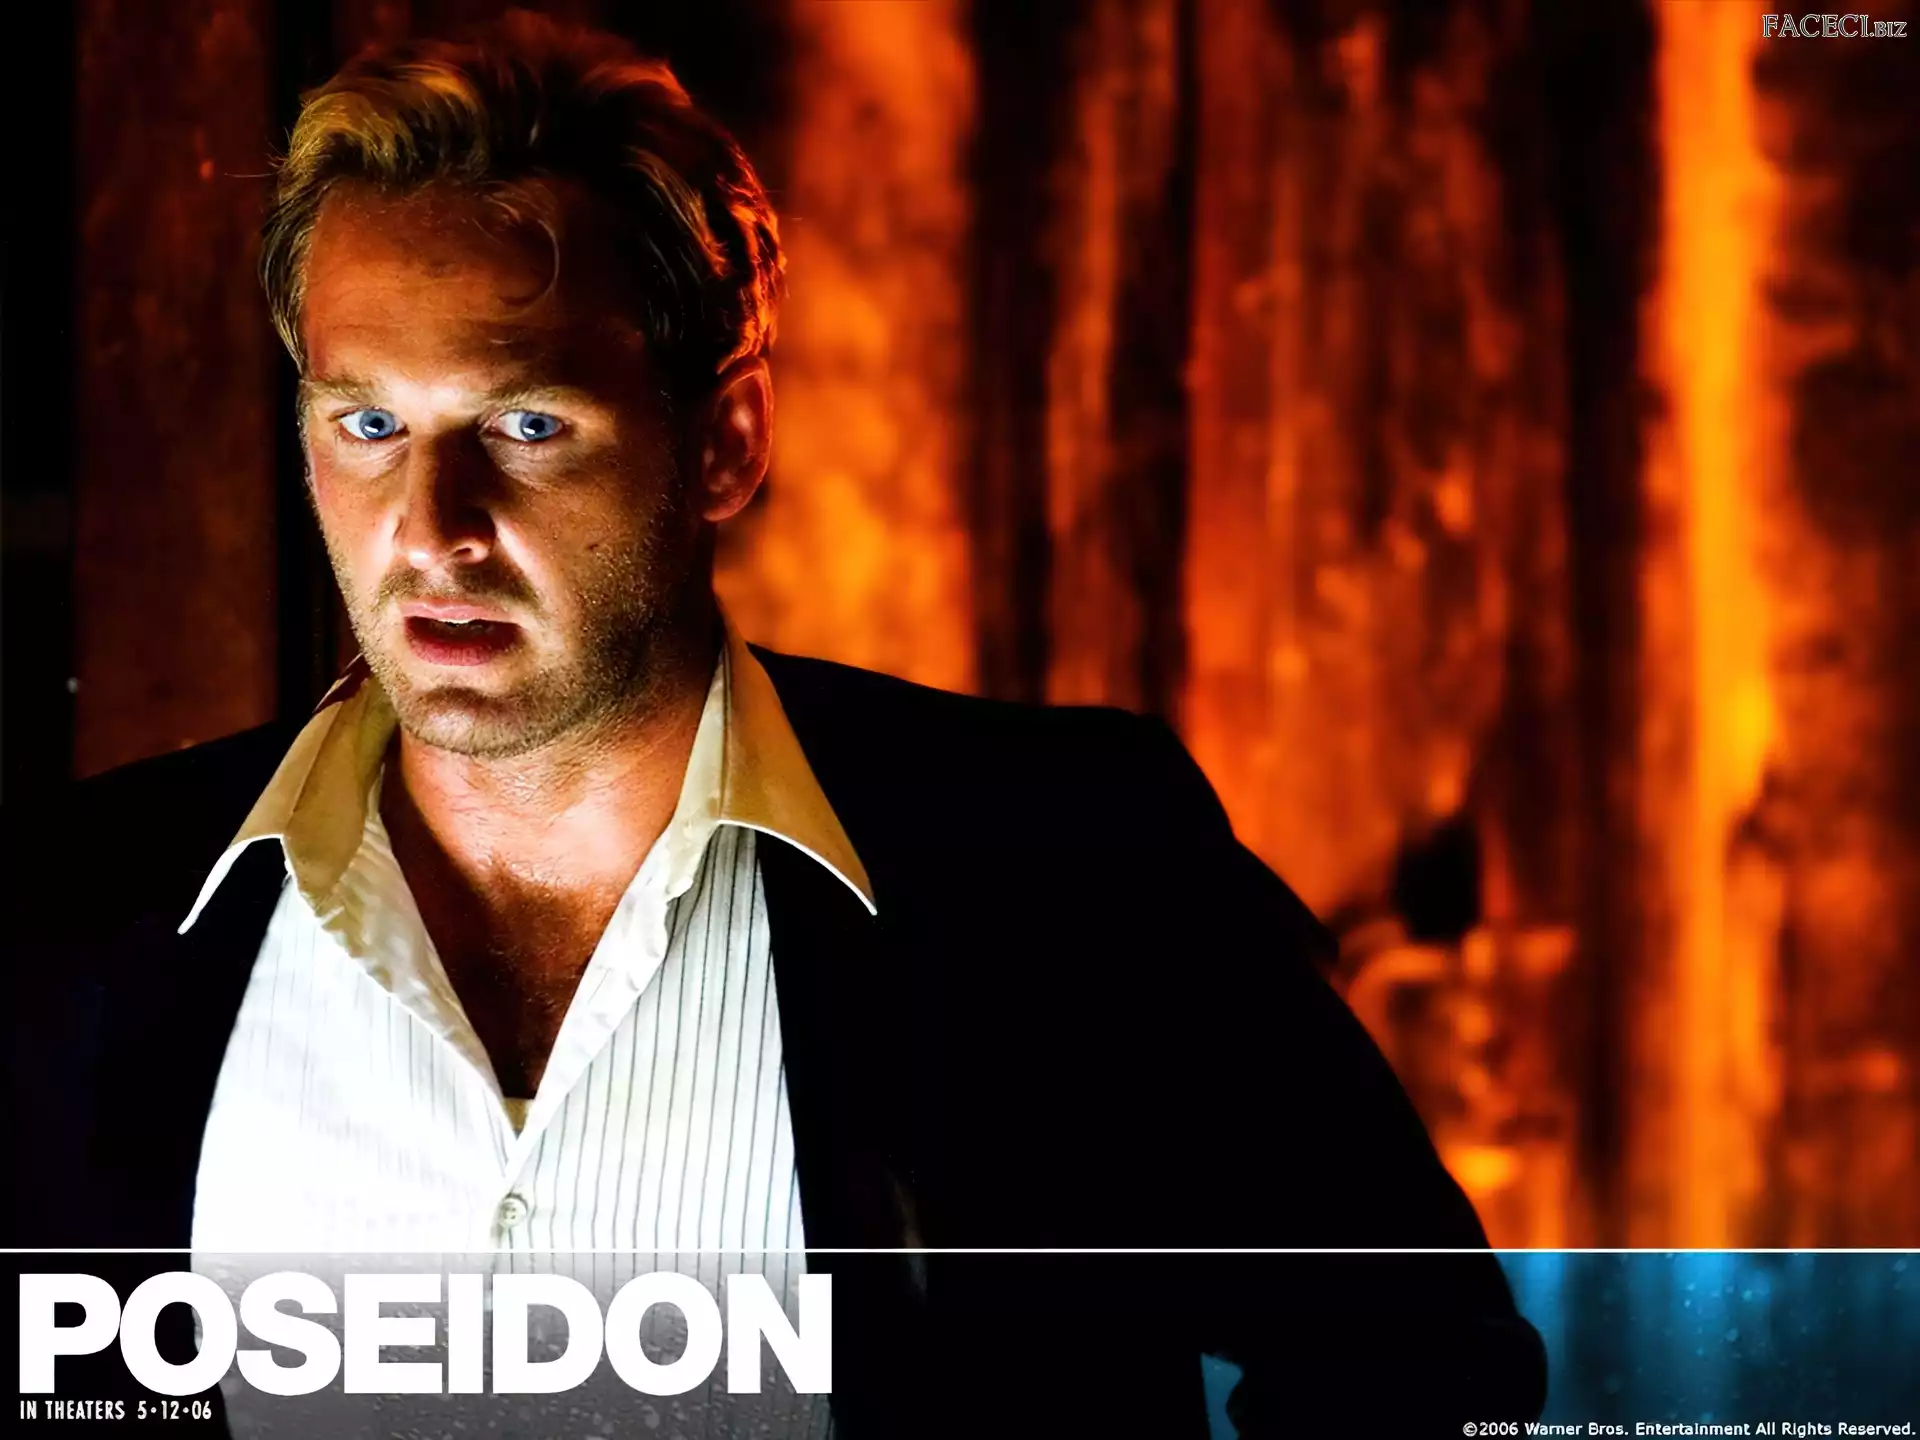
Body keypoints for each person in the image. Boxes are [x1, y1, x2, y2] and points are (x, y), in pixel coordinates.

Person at [4, 11, 1546, 1435]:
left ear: (726, 440)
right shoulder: (80, 920)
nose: (433, 528)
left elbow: (1419, 1369)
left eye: (527, 425)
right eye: (368, 424)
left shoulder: (1073, 870)